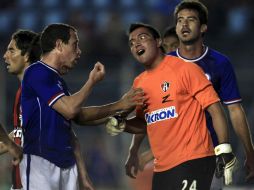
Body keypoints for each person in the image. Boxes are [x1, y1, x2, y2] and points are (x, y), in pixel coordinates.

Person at [125, 0, 254, 189]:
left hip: (208, 154)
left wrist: (249, 152)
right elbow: (150, 114)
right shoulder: (163, 65)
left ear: (203, 28)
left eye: (190, 20)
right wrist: (134, 151)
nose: (184, 24)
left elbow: (234, 110)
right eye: (179, 20)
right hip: (172, 159)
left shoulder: (220, 63)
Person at [108, 22, 236, 190]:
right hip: (162, 169)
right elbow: (144, 123)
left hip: (193, 161)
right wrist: (124, 125)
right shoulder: (139, 82)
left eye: (142, 38)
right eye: (131, 43)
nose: (136, 44)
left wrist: (224, 148)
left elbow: (215, 108)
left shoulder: (186, 70)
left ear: (158, 42)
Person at [20, 23, 144, 190]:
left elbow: (79, 117)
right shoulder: (37, 72)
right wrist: (91, 81)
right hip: (40, 162)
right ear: (58, 45)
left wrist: (118, 108)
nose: (79, 51)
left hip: (66, 164)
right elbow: (70, 109)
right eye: (75, 44)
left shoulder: (58, 81)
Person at [1, 29, 95, 190]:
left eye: (11, 50)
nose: (5, 56)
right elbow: (18, 136)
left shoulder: (40, 91)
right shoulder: (26, 93)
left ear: (26, 55)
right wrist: (9, 145)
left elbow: (71, 133)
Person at [126, 26, 180, 190]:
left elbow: (184, 127)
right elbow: (145, 118)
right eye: (167, 47)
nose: (170, 51)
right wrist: (133, 151)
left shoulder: (188, 74)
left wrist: (151, 154)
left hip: (195, 159)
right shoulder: (147, 80)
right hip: (166, 162)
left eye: (174, 46)